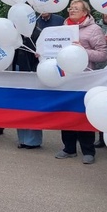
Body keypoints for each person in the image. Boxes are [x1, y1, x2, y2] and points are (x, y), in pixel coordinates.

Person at [55, 0, 107, 164]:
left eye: (76, 8)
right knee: (66, 112)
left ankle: (88, 150)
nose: (71, 10)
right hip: (65, 77)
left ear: (85, 13)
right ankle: (69, 148)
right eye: (71, 8)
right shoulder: (63, 28)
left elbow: (102, 54)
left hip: (85, 78)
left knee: (83, 114)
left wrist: (82, 51)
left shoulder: (94, 30)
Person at [15, 11, 65, 149]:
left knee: (31, 106)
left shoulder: (39, 34)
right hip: (19, 71)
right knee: (21, 107)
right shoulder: (17, 35)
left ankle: (32, 140)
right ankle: (22, 139)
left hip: (33, 71)